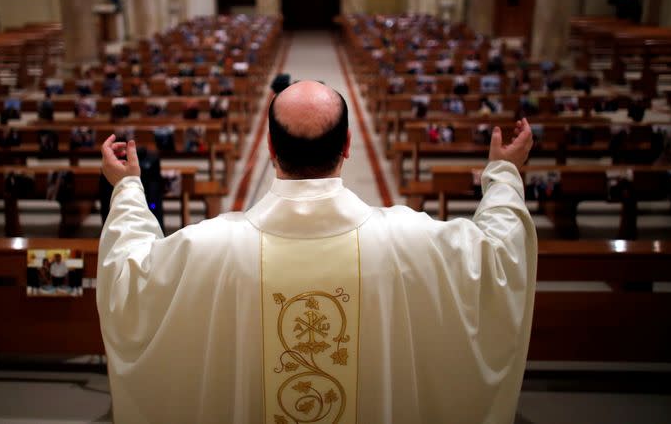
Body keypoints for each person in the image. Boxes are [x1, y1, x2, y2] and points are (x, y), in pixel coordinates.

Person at [98, 80, 536, 423]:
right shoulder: (410, 239)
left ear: (270, 149)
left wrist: (127, 188)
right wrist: (503, 173)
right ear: (347, 148)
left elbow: (128, 278)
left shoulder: (209, 246)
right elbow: (499, 258)